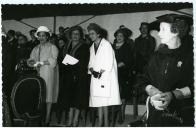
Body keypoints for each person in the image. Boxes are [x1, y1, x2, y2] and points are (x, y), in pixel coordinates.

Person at [141, 14, 194, 126]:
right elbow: (143, 78)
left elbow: (193, 86)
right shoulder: (156, 56)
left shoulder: (189, 57)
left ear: (176, 32)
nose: (159, 34)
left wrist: (173, 94)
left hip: (179, 114)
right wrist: (150, 89)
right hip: (155, 114)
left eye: (163, 29)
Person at [87, 23, 121, 126]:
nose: (91, 36)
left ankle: (106, 125)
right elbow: (90, 62)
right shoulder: (92, 46)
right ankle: (100, 124)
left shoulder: (106, 44)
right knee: (98, 103)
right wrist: (91, 69)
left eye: (92, 33)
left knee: (105, 104)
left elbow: (109, 61)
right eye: (89, 34)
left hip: (105, 77)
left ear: (98, 34)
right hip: (95, 77)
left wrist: (100, 72)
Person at [27, 26, 59, 126]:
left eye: (43, 36)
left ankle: (47, 118)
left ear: (47, 36)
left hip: (48, 73)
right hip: (38, 74)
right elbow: (31, 60)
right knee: (39, 95)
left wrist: (41, 63)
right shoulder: (35, 48)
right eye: (39, 36)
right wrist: (31, 62)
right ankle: (40, 116)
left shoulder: (52, 47)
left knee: (48, 94)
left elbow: (53, 61)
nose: (41, 38)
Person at [62, 26, 90, 126]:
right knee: (69, 99)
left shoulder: (84, 46)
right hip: (68, 75)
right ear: (70, 35)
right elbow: (62, 60)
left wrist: (68, 61)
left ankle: (75, 120)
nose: (75, 36)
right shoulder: (67, 45)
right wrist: (67, 61)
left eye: (77, 34)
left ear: (80, 35)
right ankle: (70, 119)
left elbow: (83, 62)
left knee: (77, 99)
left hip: (79, 75)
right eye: (73, 34)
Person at [111, 27, 134, 126]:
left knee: (122, 94)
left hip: (123, 73)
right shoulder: (111, 46)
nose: (119, 37)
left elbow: (127, 61)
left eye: (121, 36)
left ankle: (121, 114)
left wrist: (116, 66)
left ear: (125, 37)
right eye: (118, 35)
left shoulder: (127, 47)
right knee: (113, 94)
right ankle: (113, 114)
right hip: (112, 73)